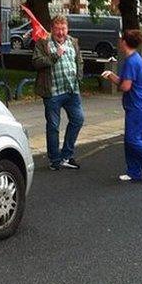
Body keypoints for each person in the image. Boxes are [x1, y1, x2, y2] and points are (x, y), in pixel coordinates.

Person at [102, 30, 142, 182]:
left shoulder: (130, 61)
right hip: (141, 104)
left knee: (133, 139)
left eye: (121, 40)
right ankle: (133, 171)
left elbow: (125, 87)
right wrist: (111, 75)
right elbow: (125, 82)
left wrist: (112, 77)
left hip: (138, 106)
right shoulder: (135, 58)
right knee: (132, 140)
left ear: (124, 43)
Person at [33, 15, 85, 171]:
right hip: (53, 92)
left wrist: (79, 78)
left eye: (64, 29)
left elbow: (79, 60)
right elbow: (36, 62)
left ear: (67, 29)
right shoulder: (43, 43)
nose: (61, 33)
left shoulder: (73, 42)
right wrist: (55, 55)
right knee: (53, 126)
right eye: (58, 29)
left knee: (78, 119)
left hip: (72, 90)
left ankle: (67, 155)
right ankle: (55, 160)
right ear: (52, 29)